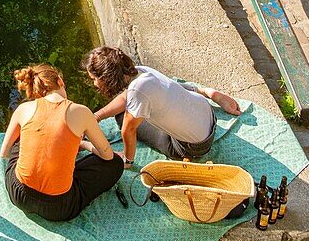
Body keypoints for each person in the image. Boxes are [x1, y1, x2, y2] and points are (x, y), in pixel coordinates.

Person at [0, 64, 123, 222]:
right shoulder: (82, 112)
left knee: (21, 136)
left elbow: (4, 152)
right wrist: (83, 144)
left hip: (18, 194)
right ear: (60, 81)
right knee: (115, 163)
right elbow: (107, 156)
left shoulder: (24, 108)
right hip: (59, 208)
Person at [84, 47, 241, 164]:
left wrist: (128, 159)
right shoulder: (140, 71)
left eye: (94, 79)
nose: (94, 83)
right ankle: (207, 92)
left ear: (106, 77)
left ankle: (128, 160)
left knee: (121, 117)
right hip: (208, 115)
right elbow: (127, 97)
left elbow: (128, 129)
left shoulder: (138, 93)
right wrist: (97, 116)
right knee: (164, 93)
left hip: (194, 147)